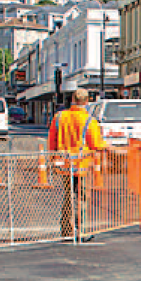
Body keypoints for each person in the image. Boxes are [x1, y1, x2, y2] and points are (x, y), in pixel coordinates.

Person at [48, 88, 108, 238]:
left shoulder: (59, 117)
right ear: (87, 102)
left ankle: (66, 230)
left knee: (68, 197)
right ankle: (80, 230)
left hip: (64, 164)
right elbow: (96, 144)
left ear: (72, 100)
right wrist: (107, 146)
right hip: (80, 165)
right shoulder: (89, 120)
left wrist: (53, 160)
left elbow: (52, 140)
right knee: (81, 198)